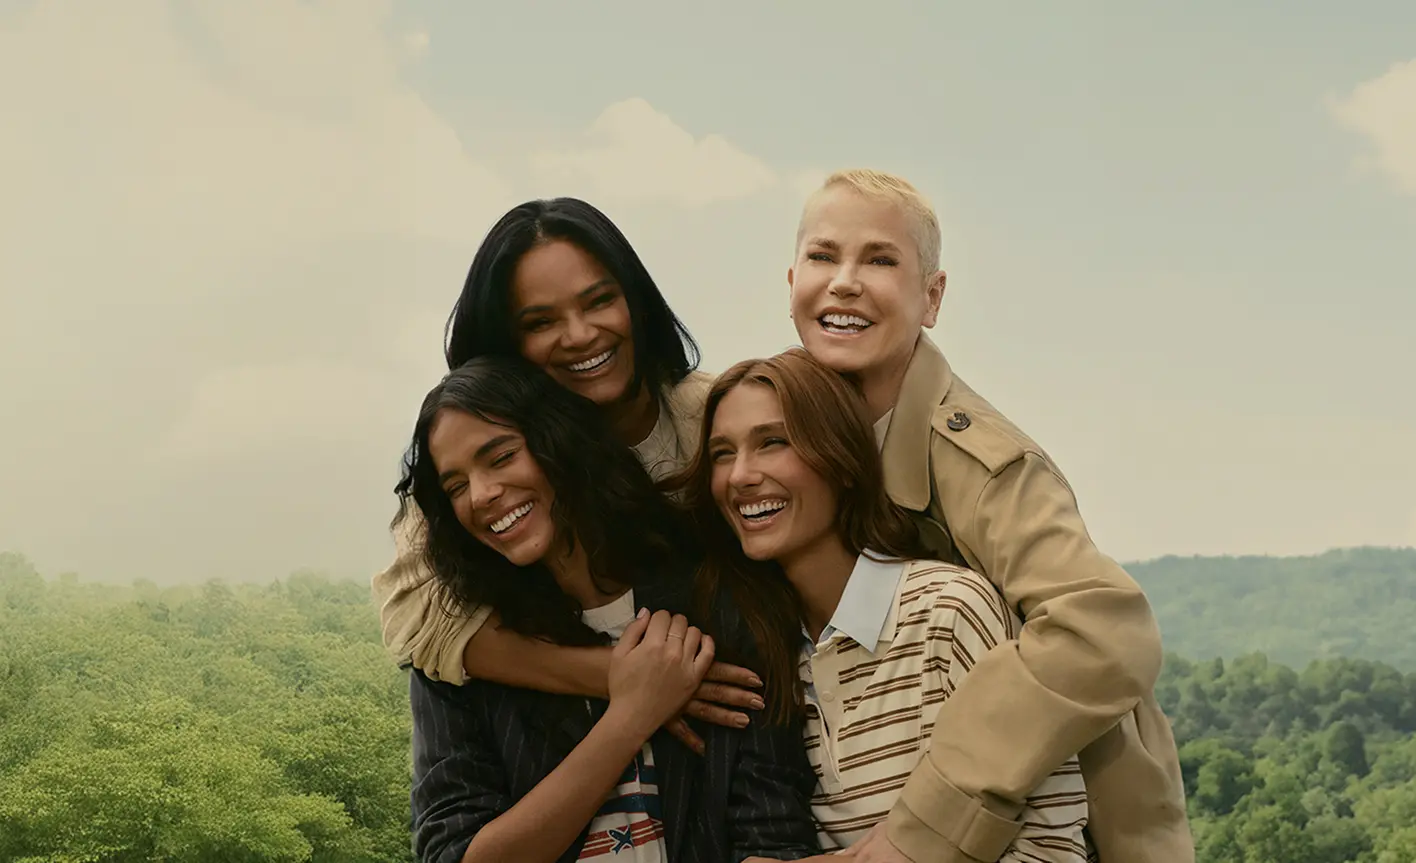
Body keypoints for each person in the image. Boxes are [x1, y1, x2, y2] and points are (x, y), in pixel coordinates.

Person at [785, 169, 1190, 862]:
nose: (845, 281)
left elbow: (1103, 629)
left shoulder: (980, 460)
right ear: (790, 279)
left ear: (932, 297)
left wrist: (923, 827)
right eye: (824, 256)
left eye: (880, 259)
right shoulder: (775, 434)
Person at [671, 347, 1094, 862]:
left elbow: (1053, 844)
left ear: (843, 461)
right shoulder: (765, 651)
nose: (740, 475)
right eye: (721, 453)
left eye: (772, 442)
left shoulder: (948, 611)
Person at [399, 355, 821, 863]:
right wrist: (629, 717)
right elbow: (454, 854)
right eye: (457, 487)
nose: (483, 495)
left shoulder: (722, 600)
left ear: (557, 439)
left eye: (501, 456)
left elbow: (772, 833)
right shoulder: (462, 659)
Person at [374, 197, 761, 751]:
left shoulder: (711, 415)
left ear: (636, 300)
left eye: (600, 301)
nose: (580, 335)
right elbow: (413, 617)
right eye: (541, 322)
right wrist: (619, 680)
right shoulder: (481, 470)